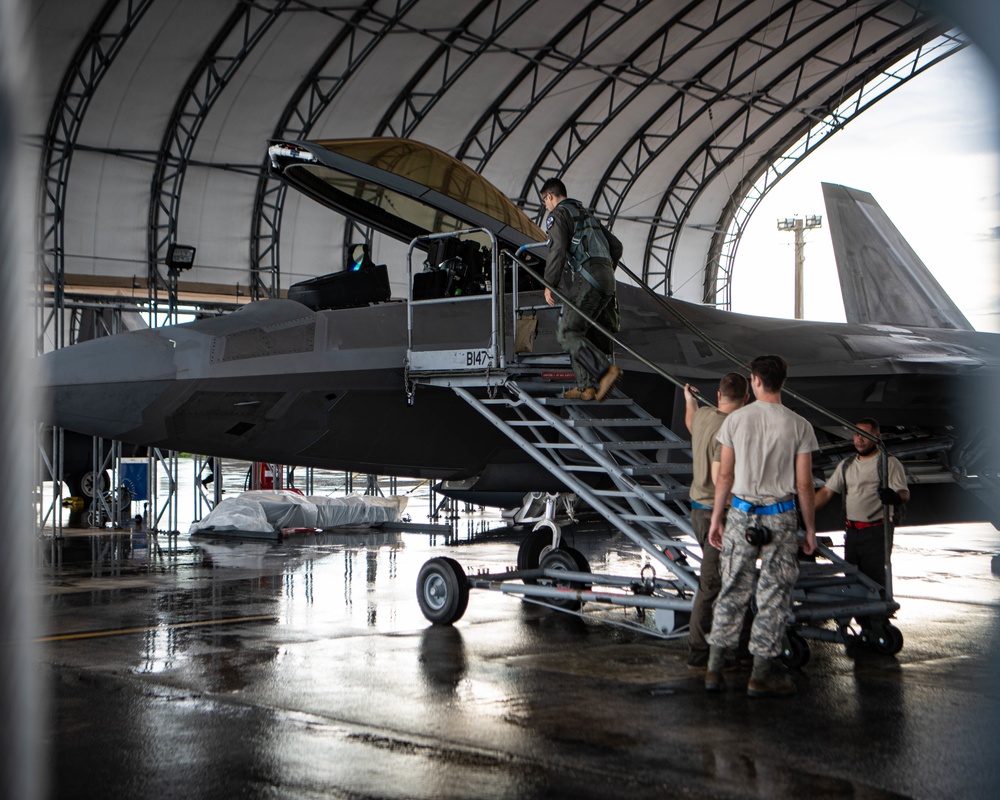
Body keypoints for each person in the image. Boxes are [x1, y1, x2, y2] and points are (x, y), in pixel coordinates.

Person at [705, 355, 818, 698]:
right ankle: (761, 675)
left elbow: (724, 475)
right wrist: (809, 529)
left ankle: (713, 671)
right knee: (774, 595)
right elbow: (804, 486)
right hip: (781, 516)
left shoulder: (736, 422)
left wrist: (716, 519)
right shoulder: (799, 425)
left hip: (741, 513)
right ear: (782, 381)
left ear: (754, 380)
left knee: (732, 591)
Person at [814, 418, 909, 636]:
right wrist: (804, 512)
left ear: (877, 437)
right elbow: (827, 492)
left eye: (864, 434)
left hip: (877, 530)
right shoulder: (846, 465)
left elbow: (904, 493)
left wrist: (894, 496)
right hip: (852, 532)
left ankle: (877, 624)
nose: (859, 439)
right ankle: (865, 625)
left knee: (874, 578)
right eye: (856, 434)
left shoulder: (887, 463)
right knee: (853, 577)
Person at [684, 373, 749, 668]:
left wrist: (690, 400)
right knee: (712, 586)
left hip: (698, 510)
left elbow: (691, 422)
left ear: (719, 395)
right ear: (746, 400)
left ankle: (729, 646)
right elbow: (719, 476)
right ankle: (699, 652)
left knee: (720, 584)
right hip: (717, 515)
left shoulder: (705, 416)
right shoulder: (730, 430)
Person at [540, 178, 623, 402]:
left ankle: (605, 371)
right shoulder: (585, 214)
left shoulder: (558, 215)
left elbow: (557, 249)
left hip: (589, 278)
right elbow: (616, 246)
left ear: (549, 196)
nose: (545, 207)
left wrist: (549, 284)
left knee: (566, 333)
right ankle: (585, 387)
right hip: (607, 278)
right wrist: (605, 270)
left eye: (544, 201)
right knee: (577, 330)